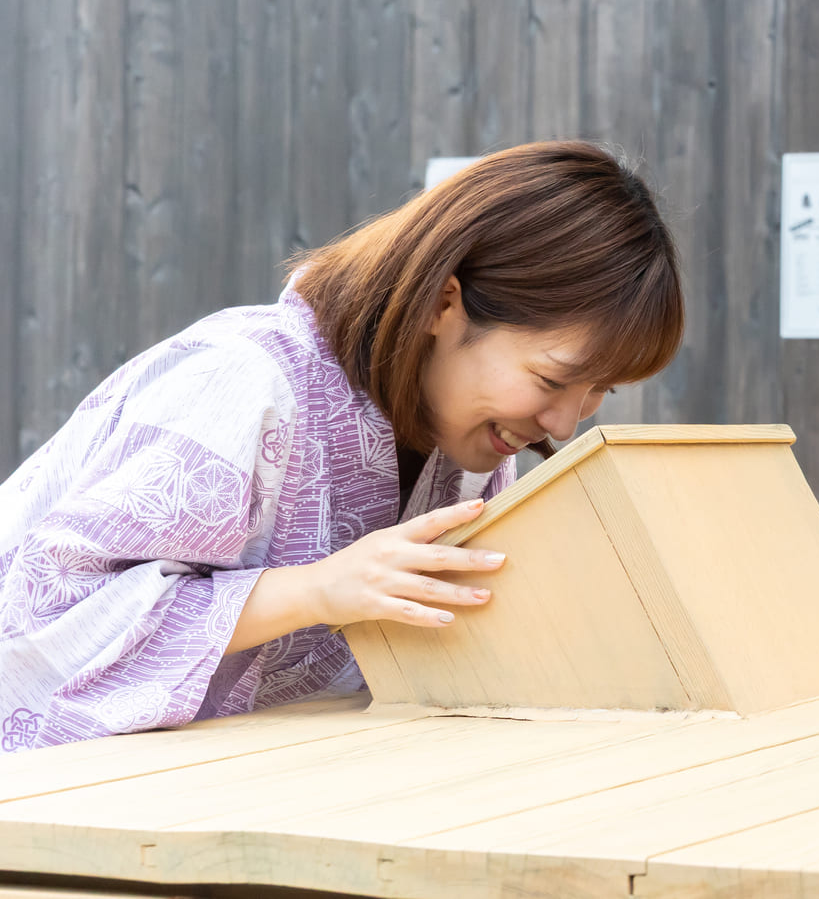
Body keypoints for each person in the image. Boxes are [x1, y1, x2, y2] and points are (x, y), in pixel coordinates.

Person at [0, 142, 683, 752]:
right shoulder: (241, 381)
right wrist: (319, 589)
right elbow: (43, 621)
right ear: (444, 305)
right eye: (552, 379)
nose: (564, 423)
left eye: (601, 390)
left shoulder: (471, 442)